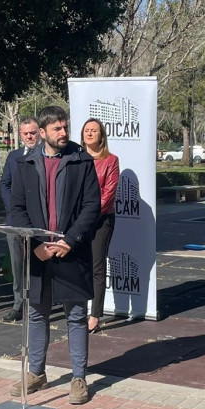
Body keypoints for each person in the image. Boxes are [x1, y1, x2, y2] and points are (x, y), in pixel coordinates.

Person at [9, 105, 100, 405]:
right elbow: (17, 208)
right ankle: (37, 373)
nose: (64, 133)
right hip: (38, 253)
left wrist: (70, 240)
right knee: (37, 313)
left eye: (65, 127)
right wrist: (36, 243)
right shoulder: (25, 163)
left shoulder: (81, 160)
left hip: (72, 251)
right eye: (57, 128)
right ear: (42, 132)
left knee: (76, 315)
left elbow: (92, 206)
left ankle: (78, 378)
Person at [0, 116, 40, 322]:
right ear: (20, 135)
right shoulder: (14, 156)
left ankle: (38, 304)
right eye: (26, 133)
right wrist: (13, 207)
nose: (29, 136)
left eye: (33, 132)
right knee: (17, 264)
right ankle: (18, 304)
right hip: (14, 219)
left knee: (38, 263)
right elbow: (5, 184)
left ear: (40, 133)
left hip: (39, 221)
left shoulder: (46, 155)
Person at [80, 118, 119, 333]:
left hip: (101, 220)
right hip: (77, 221)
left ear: (101, 135)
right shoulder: (76, 157)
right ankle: (77, 310)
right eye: (86, 130)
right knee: (78, 265)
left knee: (96, 266)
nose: (89, 133)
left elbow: (108, 193)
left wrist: (89, 215)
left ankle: (94, 315)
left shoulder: (111, 160)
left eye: (93, 130)